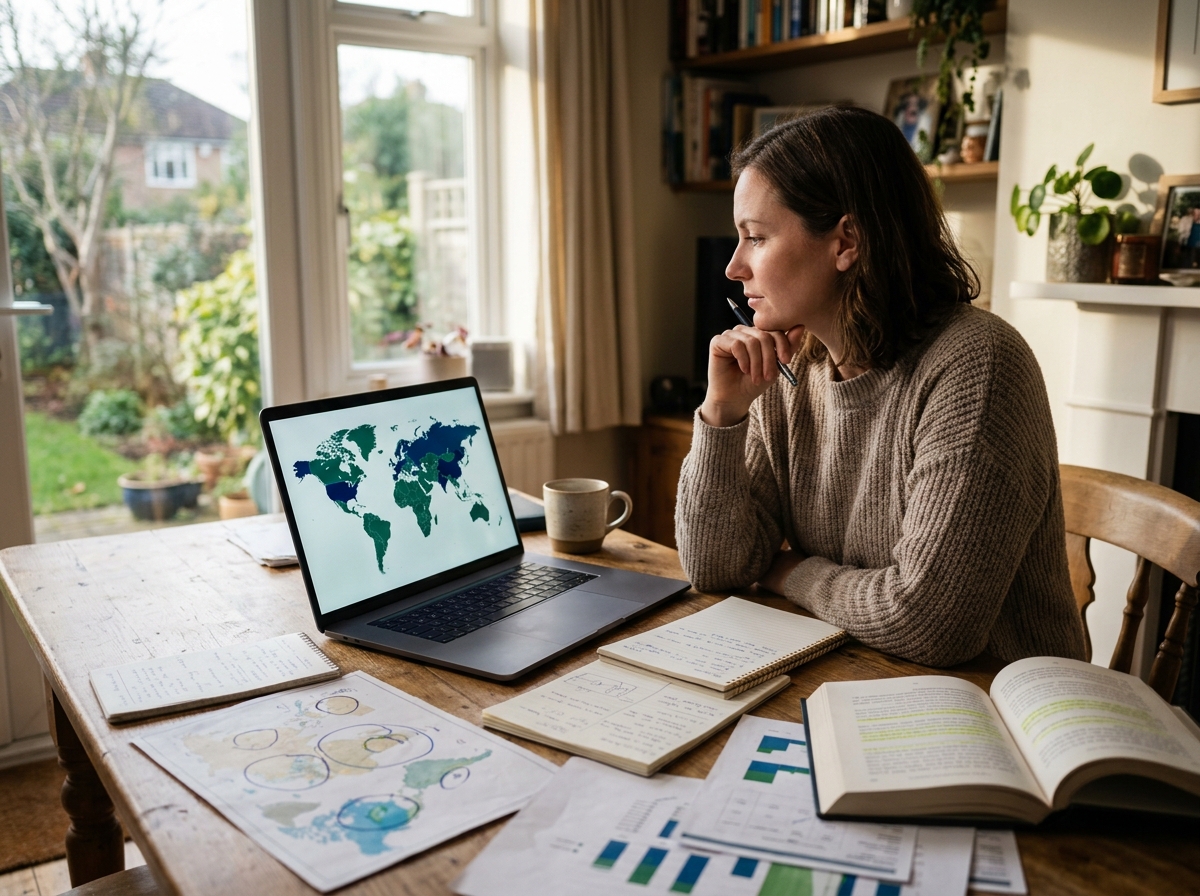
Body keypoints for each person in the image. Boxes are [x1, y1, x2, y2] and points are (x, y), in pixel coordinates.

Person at [675, 106, 1087, 668]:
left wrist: (789, 569)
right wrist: (722, 415)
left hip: (999, 708)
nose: (733, 267)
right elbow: (716, 567)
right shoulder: (791, 370)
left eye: (756, 238)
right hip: (858, 671)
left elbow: (930, 623)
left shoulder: (977, 365)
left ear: (847, 240)